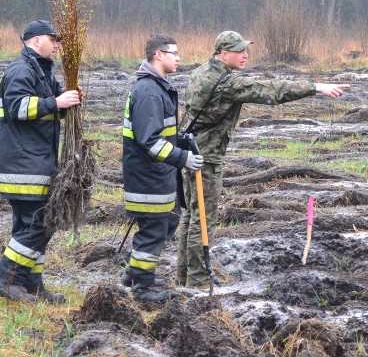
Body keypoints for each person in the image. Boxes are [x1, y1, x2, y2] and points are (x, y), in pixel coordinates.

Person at [175, 31, 348, 289]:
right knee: (202, 218)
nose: (245, 55)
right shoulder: (226, 84)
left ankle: (183, 275)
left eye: (246, 49)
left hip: (189, 152)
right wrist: (315, 87)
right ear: (224, 54)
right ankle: (198, 281)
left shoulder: (202, 71)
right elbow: (270, 91)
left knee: (190, 214)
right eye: (239, 51)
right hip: (206, 157)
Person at [0, 20, 82, 304]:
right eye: (53, 40)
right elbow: (18, 107)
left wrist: (67, 104)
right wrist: (56, 103)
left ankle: (31, 285)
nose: (57, 46)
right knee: (39, 224)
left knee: (29, 226)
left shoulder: (42, 71)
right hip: (23, 163)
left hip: (34, 161)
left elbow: (47, 109)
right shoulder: (21, 70)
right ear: (36, 40)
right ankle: (6, 280)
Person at [121, 35, 204, 302]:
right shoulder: (148, 92)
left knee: (168, 221)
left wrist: (181, 141)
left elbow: (160, 134)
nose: (179, 58)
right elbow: (149, 140)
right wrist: (182, 158)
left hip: (158, 174)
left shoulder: (159, 87)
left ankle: (134, 273)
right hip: (147, 176)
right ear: (158, 55)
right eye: (174, 53)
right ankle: (143, 288)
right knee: (154, 229)